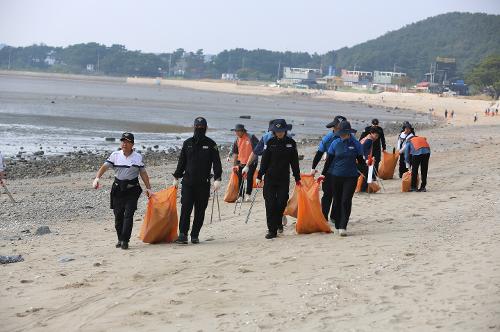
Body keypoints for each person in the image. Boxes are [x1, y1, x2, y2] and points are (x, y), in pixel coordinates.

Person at [93, 132, 153, 250]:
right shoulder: (115, 155)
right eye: (123, 141)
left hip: (132, 189)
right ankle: (120, 238)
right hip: (118, 189)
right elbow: (104, 167)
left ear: (132, 144)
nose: (124, 144)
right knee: (118, 216)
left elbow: (143, 173)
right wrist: (97, 178)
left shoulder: (137, 157)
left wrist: (149, 188)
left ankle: (125, 240)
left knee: (128, 215)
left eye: (127, 142)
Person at [173, 117, 223, 244]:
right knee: (186, 209)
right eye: (197, 127)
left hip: (203, 184)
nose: (199, 129)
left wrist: (218, 178)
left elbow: (217, 163)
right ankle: (183, 235)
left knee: (200, 211)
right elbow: (182, 161)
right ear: (194, 127)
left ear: (205, 128)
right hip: (188, 183)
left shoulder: (211, 144)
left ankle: (195, 235)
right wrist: (176, 177)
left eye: (202, 127)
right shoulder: (187, 143)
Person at [256, 119, 301, 239]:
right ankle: (272, 230)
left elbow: (294, 162)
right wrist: (259, 176)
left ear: (285, 130)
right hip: (270, 179)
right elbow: (264, 161)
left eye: (281, 130)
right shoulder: (270, 143)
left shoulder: (291, 143)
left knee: (281, 203)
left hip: (283, 179)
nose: (279, 133)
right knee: (270, 204)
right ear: (274, 131)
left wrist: (297, 178)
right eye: (277, 131)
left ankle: (278, 221)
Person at [321, 121, 367, 236]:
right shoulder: (335, 143)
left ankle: (343, 226)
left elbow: (361, 161)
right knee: (337, 200)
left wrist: (363, 173)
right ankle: (337, 222)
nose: (341, 135)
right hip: (336, 176)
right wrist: (323, 174)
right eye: (340, 133)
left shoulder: (356, 144)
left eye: (344, 133)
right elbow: (329, 161)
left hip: (351, 177)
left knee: (346, 200)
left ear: (348, 133)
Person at [310, 115, 347, 221]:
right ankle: (323, 216)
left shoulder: (350, 137)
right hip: (329, 170)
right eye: (338, 126)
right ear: (334, 127)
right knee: (328, 194)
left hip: (343, 170)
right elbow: (319, 153)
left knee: (338, 195)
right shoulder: (327, 138)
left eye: (342, 126)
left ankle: (334, 216)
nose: (340, 128)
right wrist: (313, 168)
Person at [230, 124, 259, 200]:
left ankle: (248, 195)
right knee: (240, 178)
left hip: (252, 161)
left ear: (243, 131)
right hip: (241, 162)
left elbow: (257, 149)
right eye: (235, 131)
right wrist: (234, 165)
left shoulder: (251, 137)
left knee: (249, 177)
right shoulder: (236, 140)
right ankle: (240, 196)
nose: (236, 133)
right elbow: (235, 153)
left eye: (238, 131)